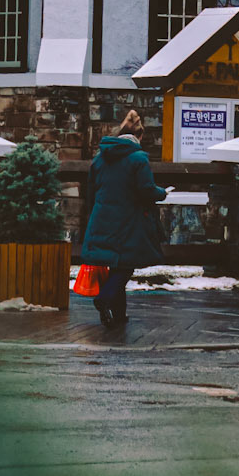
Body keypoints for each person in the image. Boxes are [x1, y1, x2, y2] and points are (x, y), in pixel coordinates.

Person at [80, 111, 166, 329]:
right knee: (126, 265)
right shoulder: (138, 159)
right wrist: (162, 193)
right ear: (138, 137)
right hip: (128, 220)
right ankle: (105, 298)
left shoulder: (100, 159)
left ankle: (118, 314)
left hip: (103, 217)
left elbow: (91, 190)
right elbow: (146, 190)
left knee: (116, 265)